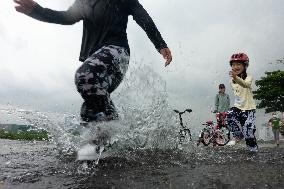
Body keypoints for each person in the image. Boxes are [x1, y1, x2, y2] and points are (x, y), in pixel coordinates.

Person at [14, 0, 172, 123]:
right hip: (97, 62)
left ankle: (110, 125)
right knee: (90, 110)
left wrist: (160, 44)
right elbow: (66, 17)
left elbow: (143, 17)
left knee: (85, 76)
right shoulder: (84, 2)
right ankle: (108, 139)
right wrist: (36, 11)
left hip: (117, 54)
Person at [226, 53, 258, 152]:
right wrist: (234, 78)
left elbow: (245, 84)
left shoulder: (249, 76)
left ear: (245, 66)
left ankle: (253, 150)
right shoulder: (231, 80)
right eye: (233, 65)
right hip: (238, 107)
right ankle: (238, 135)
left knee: (248, 132)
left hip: (249, 109)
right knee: (229, 115)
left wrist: (236, 77)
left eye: (239, 64)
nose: (236, 67)